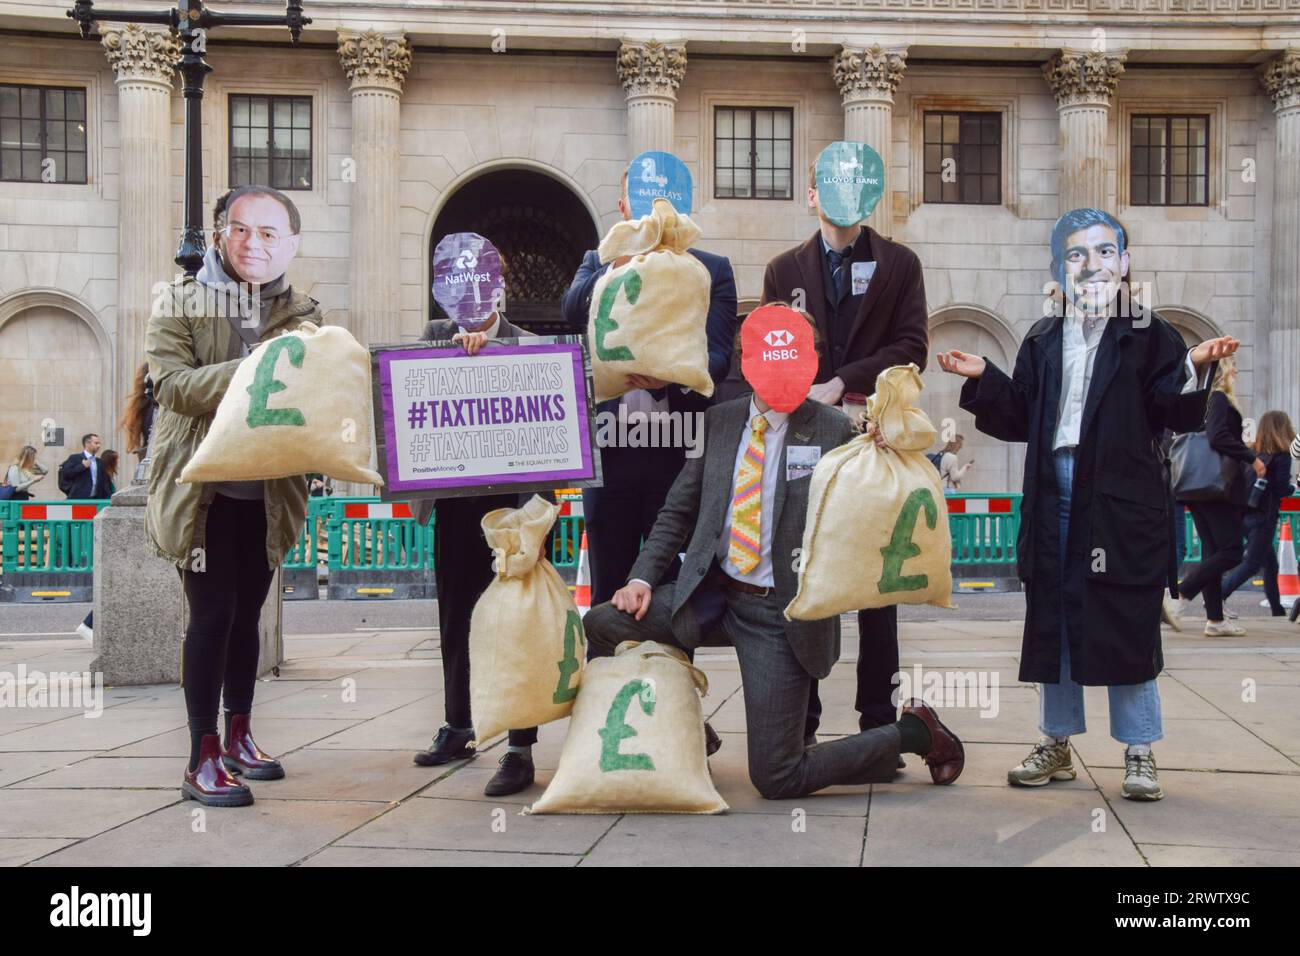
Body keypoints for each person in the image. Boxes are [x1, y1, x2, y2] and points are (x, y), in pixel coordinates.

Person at [582, 308, 965, 799]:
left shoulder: (833, 430)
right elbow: (677, 512)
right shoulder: (718, 422)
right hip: (710, 595)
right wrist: (639, 579)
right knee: (602, 624)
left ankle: (914, 732)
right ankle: (684, 725)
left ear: (810, 361)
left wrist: (885, 446)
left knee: (778, 776)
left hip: (777, 615)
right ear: (747, 363)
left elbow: (873, 502)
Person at [939, 207, 1237, 801]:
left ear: (1124, 264)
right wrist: (985, 377)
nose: (1092, 265)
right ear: (1061, 267)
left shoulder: (1151, 334)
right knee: (1054, 616)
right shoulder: (1045, 337)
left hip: (1120, 495)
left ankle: (1139, 751)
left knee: (1126, 618)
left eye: (1105, 252)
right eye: (1077, 254)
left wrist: (1191, 365)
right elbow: (1022, 414)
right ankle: (1056, 742)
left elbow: (1169, 411)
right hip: (1055, 489)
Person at [147, 183, 321, 807]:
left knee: (247, 616)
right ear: (220, 232)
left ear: (291, 245)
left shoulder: (305, 315)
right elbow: (170, 385)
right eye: (241, 229)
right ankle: (201, 754)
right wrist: (256, 369)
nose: (254, 243)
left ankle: (241, 732)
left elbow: (315, 397)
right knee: (213, 615)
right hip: (203, 493)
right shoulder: (180, 299)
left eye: (270, 233)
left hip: (270, 495)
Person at [760, 161, 930, 749]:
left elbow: (913, 347)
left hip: (872, 432)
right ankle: (798, 722)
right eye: (829, 184)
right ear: (812, 195)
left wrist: (842, 382)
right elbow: (768, 349)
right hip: (802, 435)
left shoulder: (900, 264)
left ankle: (879, 724)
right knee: (804, 573)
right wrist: (801, 387)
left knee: (878, 586)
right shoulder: (784, 269)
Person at [561, 169, 737, 668]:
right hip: (610, 452)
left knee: (670, 594)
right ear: (622, 207)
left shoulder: (710, 268)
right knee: (609, 582)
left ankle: (675, 710)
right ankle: (604, 705)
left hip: (677, 457)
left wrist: (670, 377)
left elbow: (720, 357)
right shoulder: (600, 259)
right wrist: (620, 260)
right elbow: (573, 309)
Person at [409, 297, 545, 798]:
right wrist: (452, 354)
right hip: (456, 500)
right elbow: (405, 394)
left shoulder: (528, 346)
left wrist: (496, 354)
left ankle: (519, 748)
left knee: (515, 625)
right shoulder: (433, 335)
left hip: (512, 508)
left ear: (501, 288)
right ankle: (458, 726)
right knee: (456, 619)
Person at [1170, 355, 1260, 636]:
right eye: (1232, 364)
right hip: (1217, 487)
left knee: (1212, 552)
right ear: (1222, 372)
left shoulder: (1205, 400)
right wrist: (1250, 457)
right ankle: (1180, 596)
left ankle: (1216, 620)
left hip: (1200, 486)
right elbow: (1218, 436)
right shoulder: (1220, 398)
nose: (1236, 368)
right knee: (1232, 552)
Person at [1220, 410, 1296, 618]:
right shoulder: (1281, 456)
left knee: (1270, 565)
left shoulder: (1254, 454)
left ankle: (1277, 610)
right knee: (1252, 564)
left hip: (1246, 514)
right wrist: (1293, 488)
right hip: (1264, 516)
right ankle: (1219, 595)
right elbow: (1280, 488)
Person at [57, 433, 112, 499]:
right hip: (79, 500)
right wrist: (82, 466)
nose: (99, 446)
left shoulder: (99, 462)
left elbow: (105, 482)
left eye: (99, 443)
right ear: (87, 443)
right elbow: (66, 474)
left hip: (96, 500)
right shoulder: (75, 458)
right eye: (96, 443)